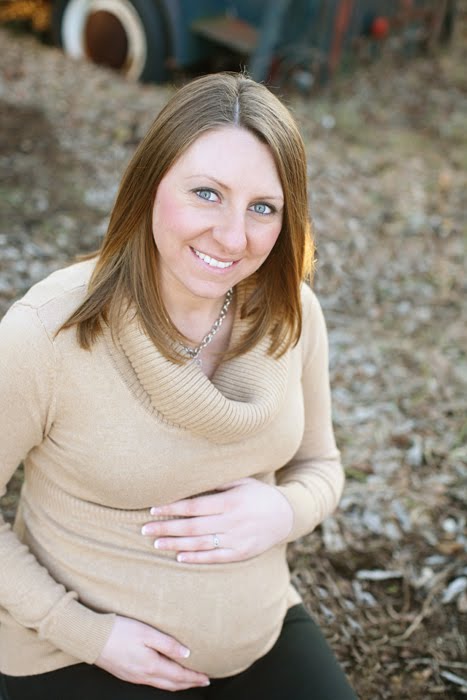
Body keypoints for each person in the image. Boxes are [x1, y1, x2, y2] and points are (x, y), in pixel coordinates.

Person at [0, 72, 357, 699]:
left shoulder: (292, 313)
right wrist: (85, 632)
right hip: (73, 653)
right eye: (206, 193)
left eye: (263, 207)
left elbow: (321, 466)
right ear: (149, 187)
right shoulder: (47, 333)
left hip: (260, 634)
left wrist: (284, 511)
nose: (233, 236)